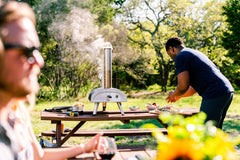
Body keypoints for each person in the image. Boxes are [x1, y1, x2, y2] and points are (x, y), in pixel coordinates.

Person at [0, 1, 103, 160]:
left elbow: (39, 156)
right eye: (27, 51)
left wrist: (84, 148)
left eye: (36, 50)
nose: (39, 61)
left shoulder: (17, 112)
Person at [165, 36, 234, 129]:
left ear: (171, 49)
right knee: (215, 132)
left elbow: (183, 86)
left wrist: (173, 94)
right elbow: (193, 89)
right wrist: (178, 95)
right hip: (226, 91)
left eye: (169, 54)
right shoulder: (193, 53)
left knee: (205, 131)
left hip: (214, 93)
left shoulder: (180, 56)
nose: (171, 58)